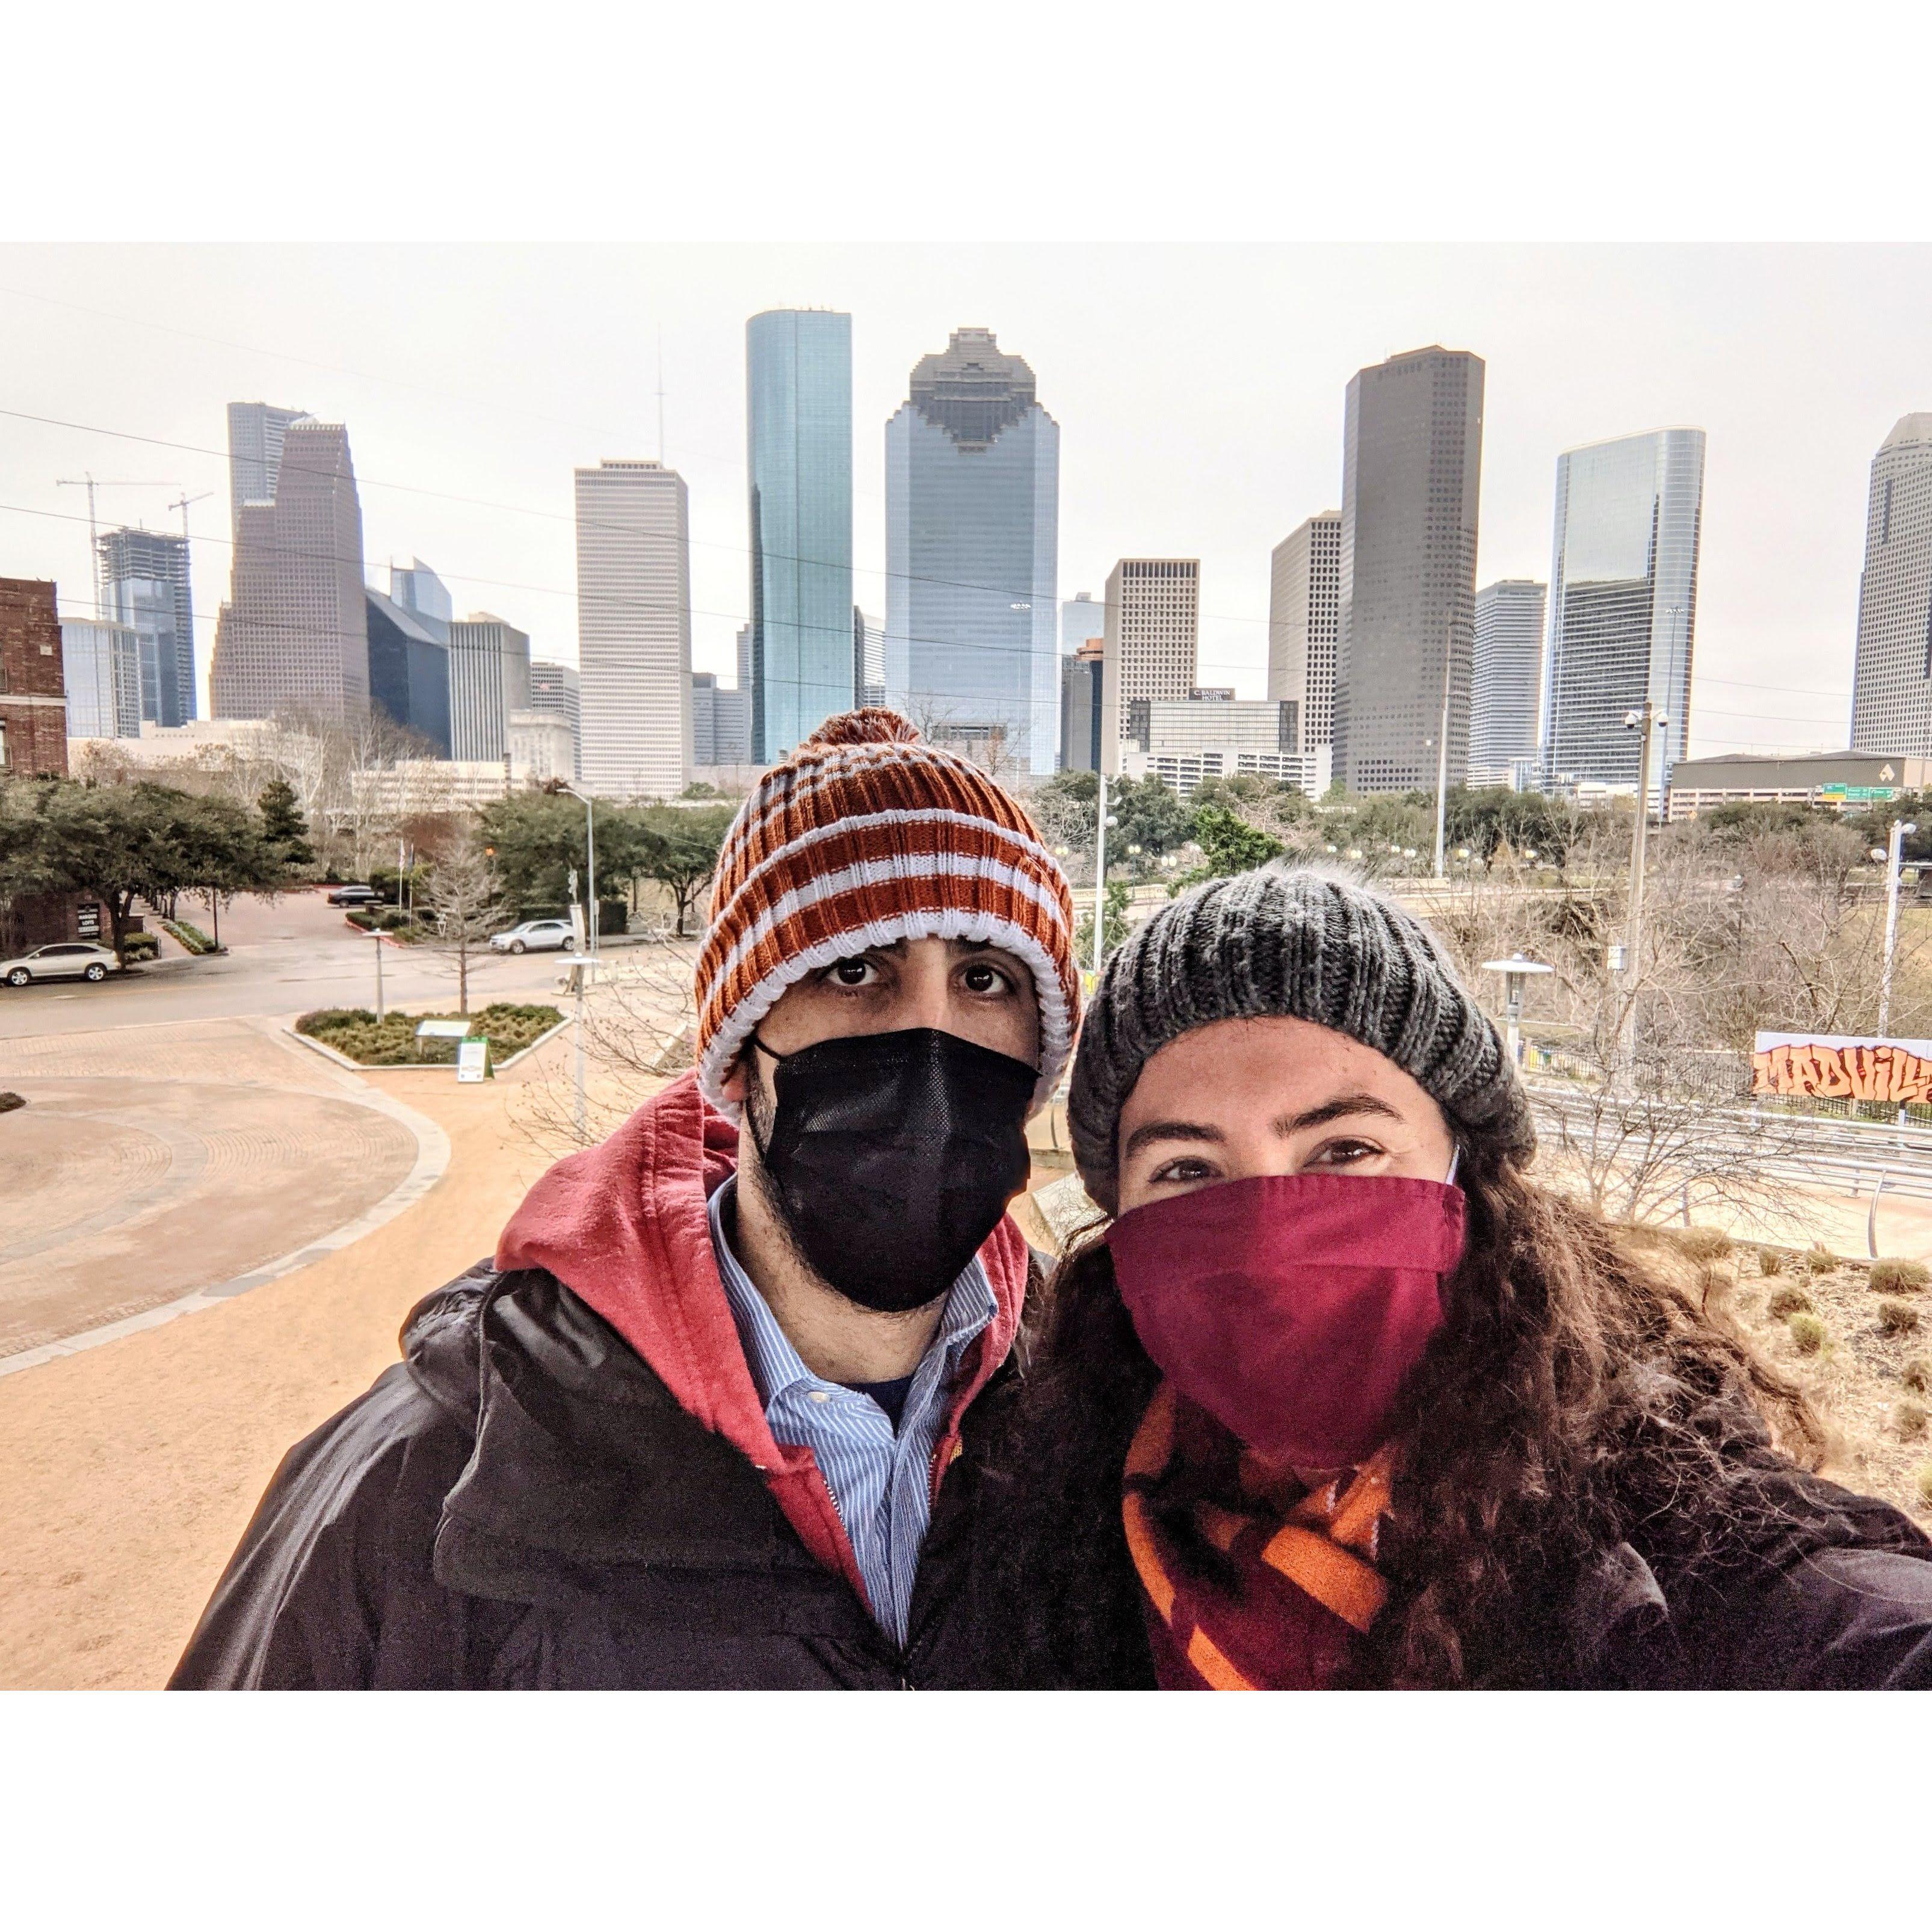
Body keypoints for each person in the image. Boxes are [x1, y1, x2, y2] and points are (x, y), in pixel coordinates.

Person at [170, 711, 1079, 1689]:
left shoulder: (1092, 1424)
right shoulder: (434, 1480)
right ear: (737, 1057)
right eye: (855, 971)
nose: (929, 1037)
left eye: (985, 980)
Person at [979, 864, 1932, 1690]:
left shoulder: (1661, 1518)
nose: (1274, 1228)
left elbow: (1840, 1615)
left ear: (1464, 1175)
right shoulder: (1045, 1512)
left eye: (1345, 1148)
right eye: (1187, 1171)